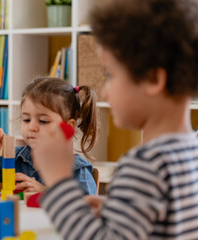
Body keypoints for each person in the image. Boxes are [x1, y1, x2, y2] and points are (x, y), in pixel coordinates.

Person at [33, 0, 198, 239]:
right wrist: (119, 210)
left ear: (153, 80)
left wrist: (59, 182)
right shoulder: (191, 150)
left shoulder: (145, 164)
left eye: (111, 75)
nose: (106, 92)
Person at [0, 77, 98, 195]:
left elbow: (86, 209)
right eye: (26, 119)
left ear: (68, 127)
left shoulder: (77, 171)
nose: (31, 127)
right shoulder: (14, 158)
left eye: (43, 121)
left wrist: (45, 192)